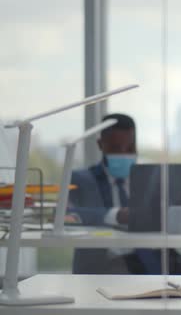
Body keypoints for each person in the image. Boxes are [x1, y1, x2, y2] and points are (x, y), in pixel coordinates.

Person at [68, 114, 156, 274]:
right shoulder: (82, 179)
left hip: (145, 264)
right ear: (101, 144)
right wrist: (115, 215)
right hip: (101, 266)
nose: (124, 154)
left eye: (130, 148)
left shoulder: (150, 179)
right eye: (116, 148)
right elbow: (69, 214)